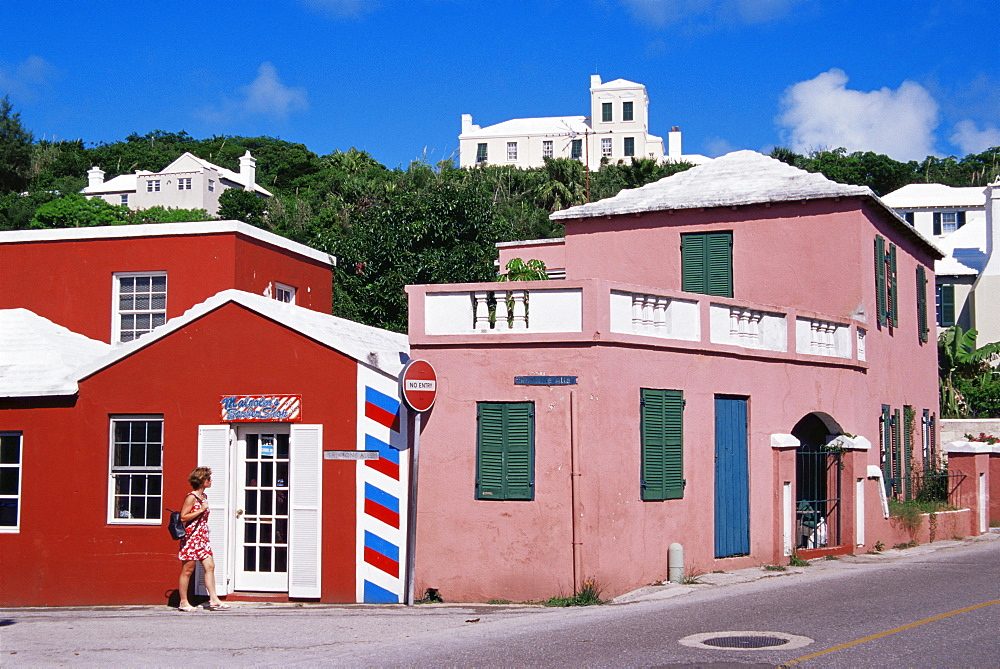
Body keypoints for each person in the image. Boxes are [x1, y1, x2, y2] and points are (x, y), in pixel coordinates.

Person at [177, 466, 230, 611]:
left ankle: (214, 599)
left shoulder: (204, 497)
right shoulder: (191, 497)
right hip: (191, 537)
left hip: (202, 538)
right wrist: (200, 510)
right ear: (201, 481)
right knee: (188, 570)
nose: (210, 481)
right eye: (208, 478)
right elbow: (183, 517)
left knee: (210, 566)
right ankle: (183, 602)